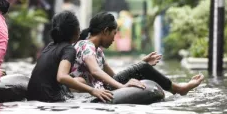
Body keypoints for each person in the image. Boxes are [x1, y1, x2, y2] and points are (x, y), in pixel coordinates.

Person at [70, 11, 205, 95]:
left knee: (142, 68)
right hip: (89, 89)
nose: (114, 38)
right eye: (114, 34)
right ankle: (180, 89)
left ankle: (178, 87)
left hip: (102, 87)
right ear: (105, 31)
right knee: (142, 68)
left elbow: (115, 76)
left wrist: (141, 64)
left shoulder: (98, 51)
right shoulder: (86, 45)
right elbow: (95, 71)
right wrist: (123, 86)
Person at [27, 11, 113, 102]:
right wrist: (92, 90)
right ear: (75, 31)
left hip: (31, 96)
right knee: (82, 81)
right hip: (49, 98)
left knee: (80, 81)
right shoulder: (69, 49)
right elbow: (62, 77)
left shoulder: (50, 46)